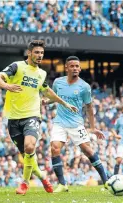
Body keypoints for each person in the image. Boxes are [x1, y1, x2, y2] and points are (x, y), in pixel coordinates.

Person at [0, 40, 78, 195]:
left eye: (42, 53)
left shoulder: (41, 73)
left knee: (30, 147)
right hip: (13, 118)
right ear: (29, 53)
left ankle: (24, 183)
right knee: (27, 157)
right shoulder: (16, 66)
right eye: (37, 52)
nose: (40, 55)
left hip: (32, 115)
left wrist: (65, 103)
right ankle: (43, 177)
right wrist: (7, 86)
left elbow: (47, 91)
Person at [46, 56, 108, 193]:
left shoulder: (84, 87)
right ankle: (62, 184)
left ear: (80, 69)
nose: (75, 68)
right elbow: (54, 97)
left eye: (77, 66)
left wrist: (92, 127)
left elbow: (89, 107)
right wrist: (45, 101)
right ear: (66, 68)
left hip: (76, 124)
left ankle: (106, 181)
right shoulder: (58, 82)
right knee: (55, 148)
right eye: (72, 66)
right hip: (60, 122)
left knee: (88, 151)